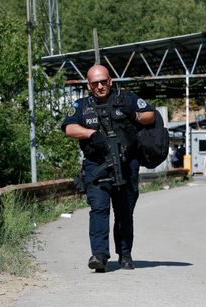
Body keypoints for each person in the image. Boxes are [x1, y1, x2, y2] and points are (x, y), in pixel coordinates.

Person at [61, 64, 155, 272]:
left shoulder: (126, 99)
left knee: (124, 212)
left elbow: (150, 114)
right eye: (96, 83)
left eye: (104, 81)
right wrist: (91, 134)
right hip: (97, 165)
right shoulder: (81, 105)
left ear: (110, 81)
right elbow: (69, 127)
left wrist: (134, 115)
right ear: (89, 85)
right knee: (99, 209)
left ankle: (125, 254)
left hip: (126, 164)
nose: (101, 86)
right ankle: (99, 255)